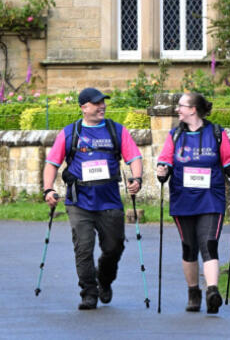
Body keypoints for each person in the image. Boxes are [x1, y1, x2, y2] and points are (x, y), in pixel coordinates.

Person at [43, 87, 143, 310]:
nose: (102, 106)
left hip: (109, 201)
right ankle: (88, 292)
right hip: (79, 202)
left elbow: (134, 157)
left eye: (103, 102)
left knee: (114, 247)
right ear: (83, 107)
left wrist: (137, 178)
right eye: (96, 103)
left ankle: (104, 280)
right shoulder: (70, 133)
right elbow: (52, 163)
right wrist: (48, 189)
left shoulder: (116, 131)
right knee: (83, 248)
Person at [156, 92, 230, 314]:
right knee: (189, 247)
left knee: (209, 243)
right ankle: (193, 292)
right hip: (183, 199)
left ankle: (212, 291)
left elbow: (228, 161)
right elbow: (165, 160)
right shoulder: (174, 135)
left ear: (193, 109)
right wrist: (162, 171)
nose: (178, 110)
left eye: (181, 106)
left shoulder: (216, 133)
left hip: (210, 199)